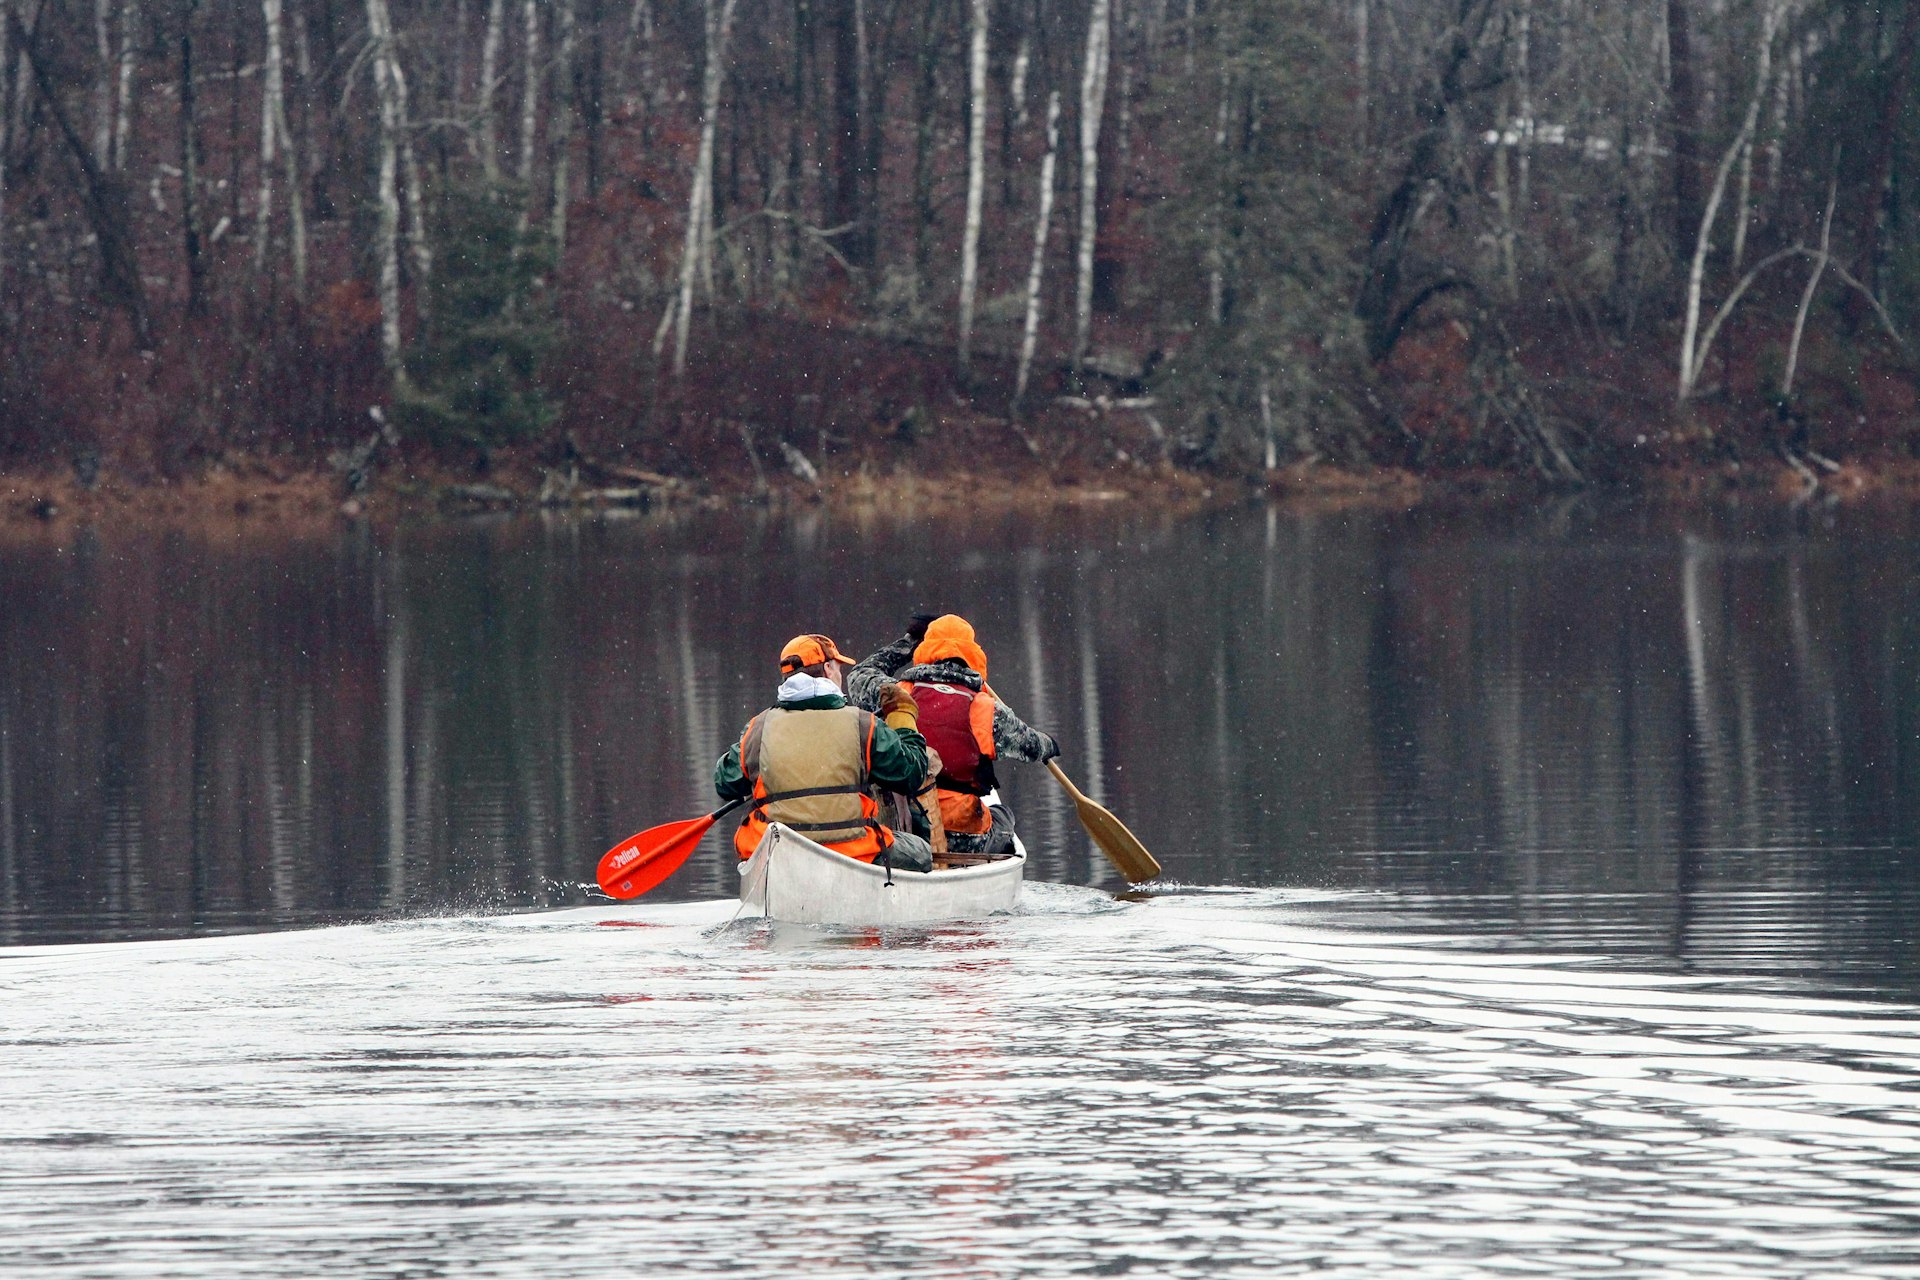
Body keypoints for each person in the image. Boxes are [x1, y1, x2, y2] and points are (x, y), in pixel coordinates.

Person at [714, 633, 938, 873]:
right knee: (922, 853)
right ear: (829, 669)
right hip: (853, 852)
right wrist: (903, 719)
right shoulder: (863, 725)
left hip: (780, 853)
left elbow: (725, 783)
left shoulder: (758, 730)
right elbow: (911, 774)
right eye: (838, 668)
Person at [848, 614, 1059, 859]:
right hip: (963, 836)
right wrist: (1051, 744)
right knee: (1004, 816)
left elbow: (860, 673)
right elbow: (1033, 746)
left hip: (905, 830)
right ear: (973, 653)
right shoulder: (984, 707)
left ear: (925, 650)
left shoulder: (896, 694)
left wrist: (908, 642)